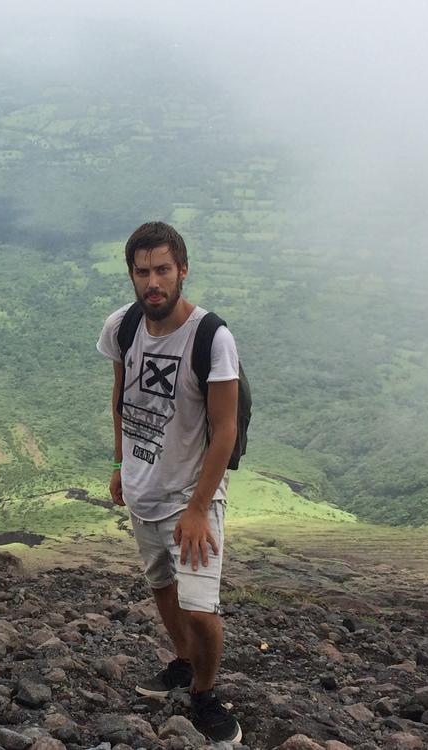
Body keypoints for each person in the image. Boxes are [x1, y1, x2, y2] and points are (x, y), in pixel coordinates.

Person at [96, 221, 242, 744]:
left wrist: (200, 508)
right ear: (132, 276)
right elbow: (120, 400)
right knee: (161, 585)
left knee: (200, 608)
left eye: (162, 270)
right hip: (142, 488)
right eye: (142, 272)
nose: (152, 282)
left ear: (182, 270)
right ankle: (182, 663)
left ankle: (204, 693)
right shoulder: (122, 326)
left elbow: (224, 429)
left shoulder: (212, 338)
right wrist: (119, 466)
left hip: (190, 495)